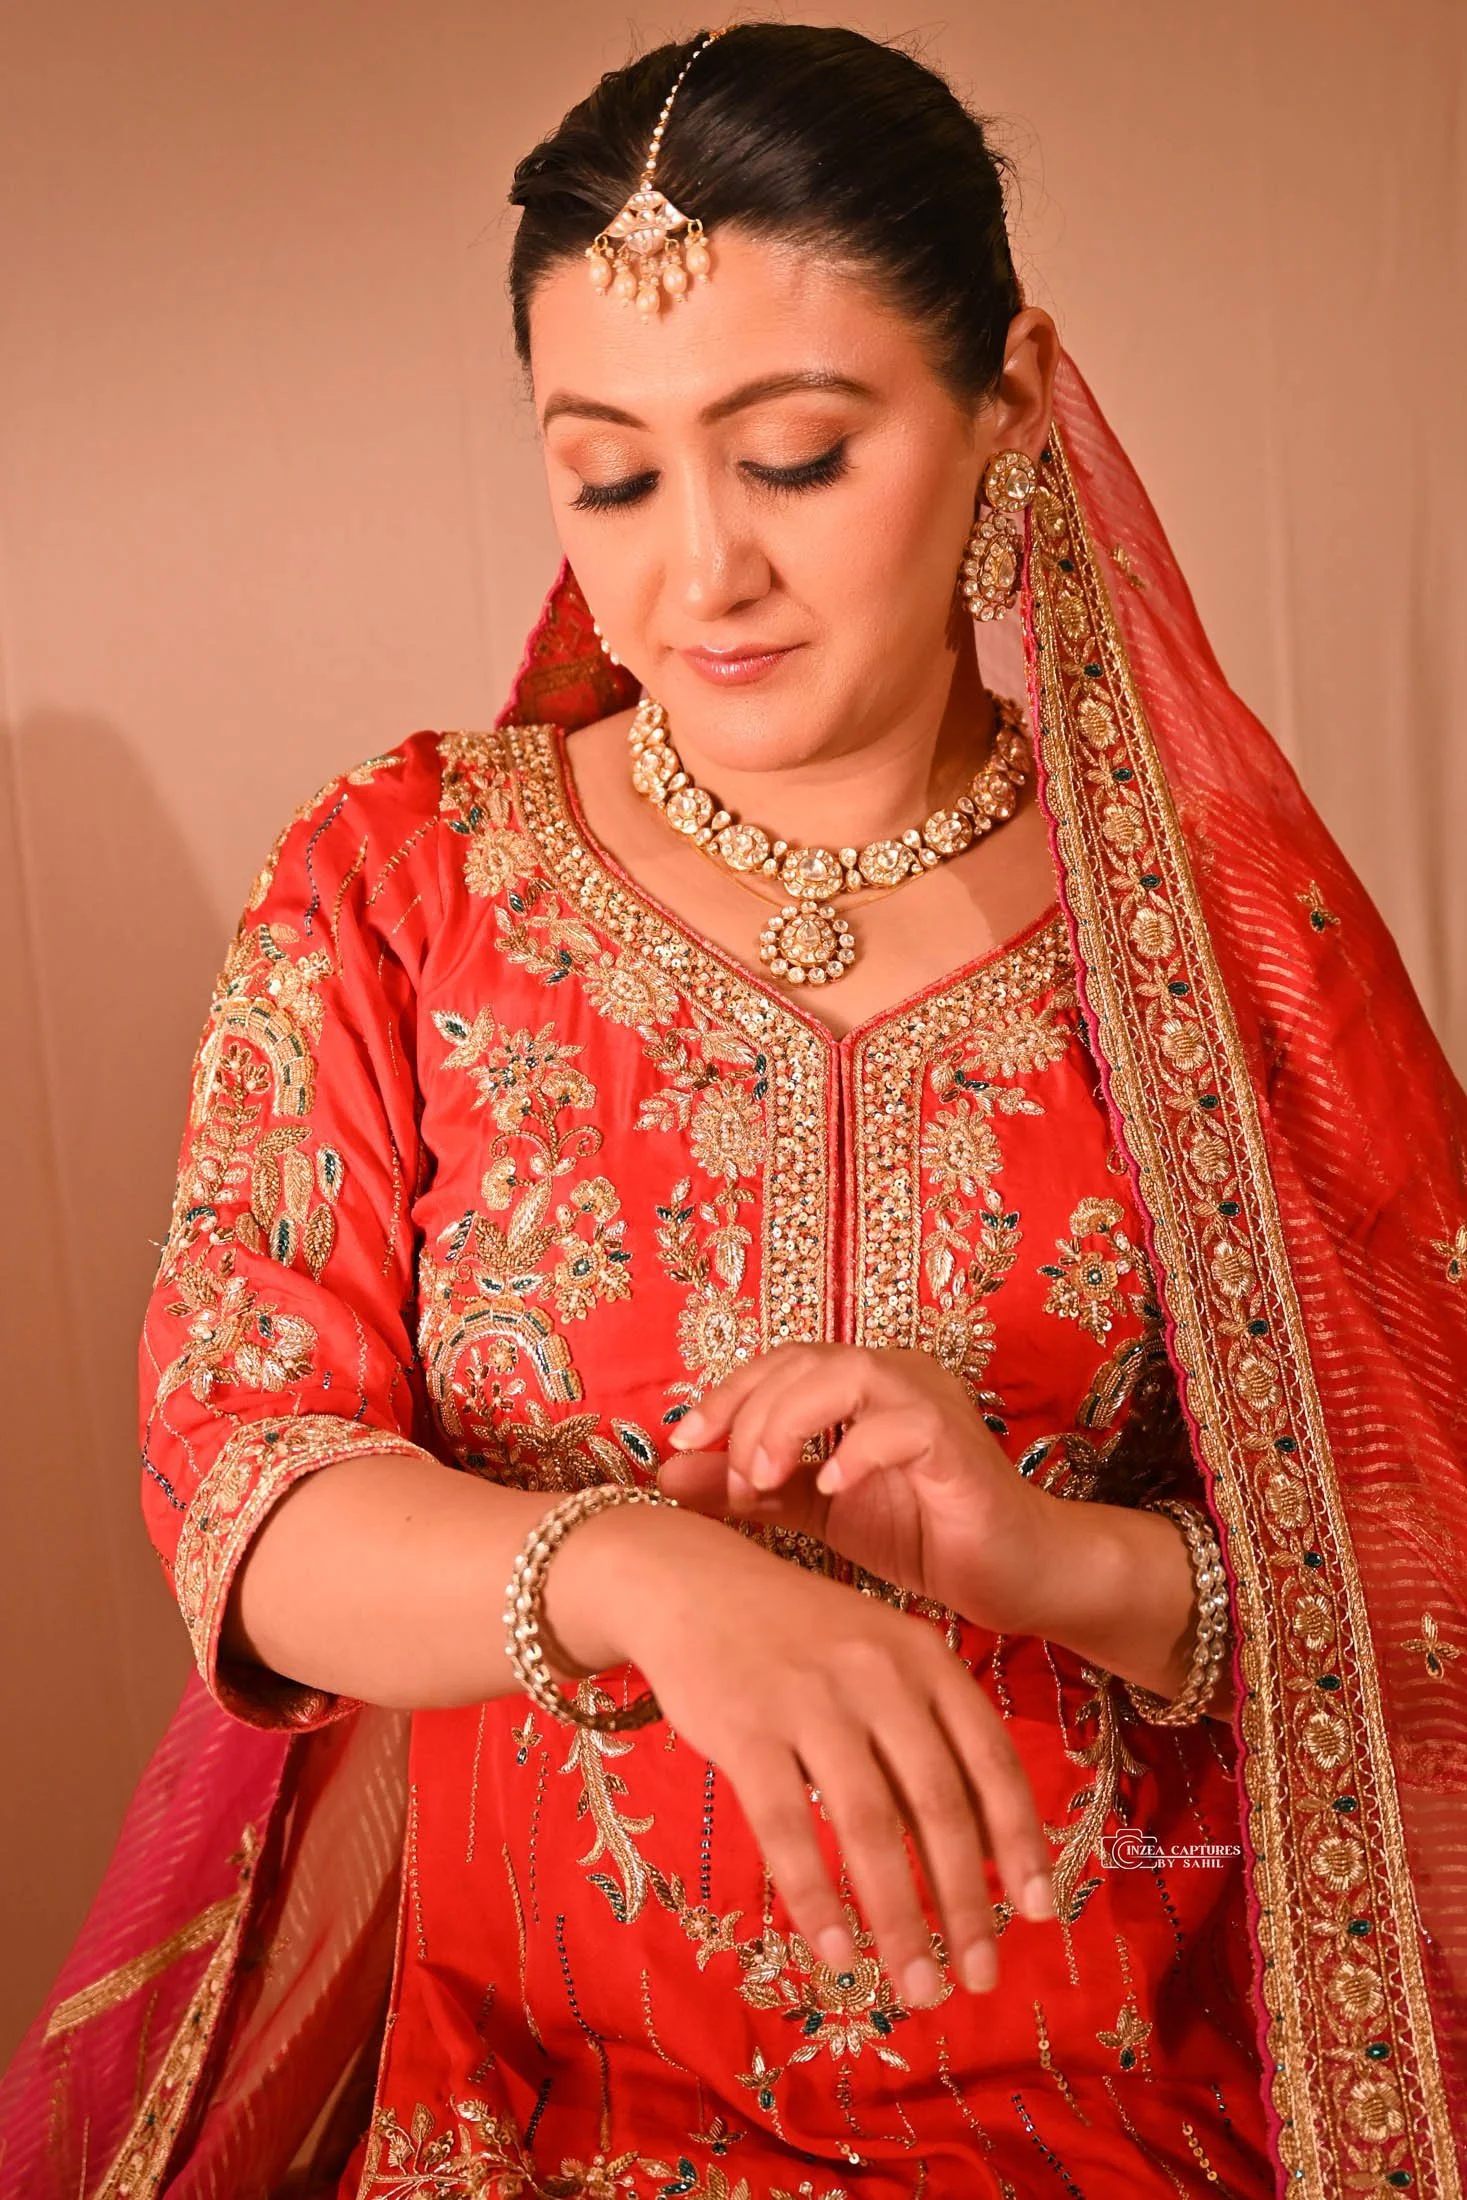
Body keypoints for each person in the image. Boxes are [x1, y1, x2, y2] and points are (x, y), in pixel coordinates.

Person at [4, 23, 1464, 2200]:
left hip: (1119, 2131)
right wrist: (632, 1571)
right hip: (523, 2116)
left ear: (1009, 398)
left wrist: (1052, 1557)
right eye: (609, 476)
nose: (700, 573)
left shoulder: (1228, 941)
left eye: (792, 456)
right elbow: (243, 1482)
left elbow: (1428, 1574)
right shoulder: (399, 885)